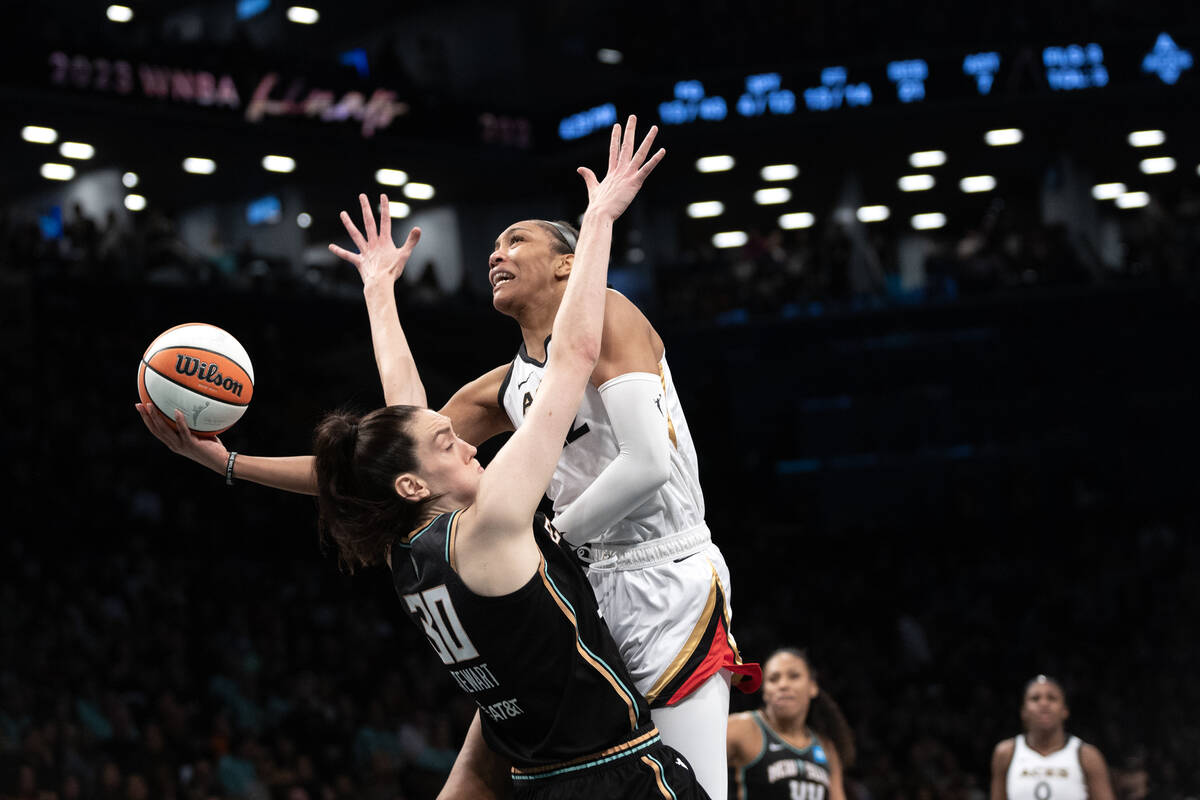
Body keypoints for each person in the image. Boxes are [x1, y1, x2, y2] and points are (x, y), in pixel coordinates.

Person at [139, 123, 758, 799]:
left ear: (565, 264)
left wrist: (549, 533)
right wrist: (234, 464)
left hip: (657, 572)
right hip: (572, 576)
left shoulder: (607, 312)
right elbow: (380, 456)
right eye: (492, 243)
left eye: (515, 239)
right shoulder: (503, 389)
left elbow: (649, 465)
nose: (495, 251)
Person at [726, 648, 854, 800]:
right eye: (773, 679)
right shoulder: (740, 729)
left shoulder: (826, 748)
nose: (783, 685)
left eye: (794, 676)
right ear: (765, 691)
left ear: (812, 687)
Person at [990, 675, 1115, 800]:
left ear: (1065, 710)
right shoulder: (1005, 753)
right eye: (1035, 698)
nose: (1044, 704)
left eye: (1052, 698)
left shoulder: (1087, 756)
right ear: (1024, 711)